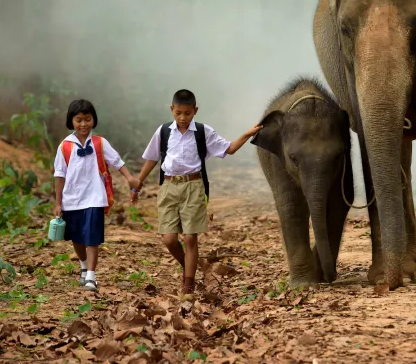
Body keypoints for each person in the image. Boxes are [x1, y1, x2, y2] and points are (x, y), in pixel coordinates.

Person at [132, 89, 262, 299]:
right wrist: (137, 183)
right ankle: (190, 265)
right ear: (172, 110)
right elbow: (152, 158)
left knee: (191, 237)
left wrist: (248, 134)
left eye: (187, 113)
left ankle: (188, 285)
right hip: (168, 186)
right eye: (178, 113)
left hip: (194, 186)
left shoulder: (203, 132)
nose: (183, 118)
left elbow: (229, 149)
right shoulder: (164, 131)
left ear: (195, 111)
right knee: (168, 239)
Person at [54, 99, 139, 292]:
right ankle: (83, 265)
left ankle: (91, 276)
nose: (83, 124)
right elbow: (59, 175)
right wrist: (58, 202)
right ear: (71, 121)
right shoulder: (65, 146)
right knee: (76, 238)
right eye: (78, 120)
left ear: (93, 120)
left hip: (95, 197)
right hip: (72, 199)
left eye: (87, 119)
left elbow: (117, 161)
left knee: (92, 237)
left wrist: (130, 178)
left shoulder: (100, 143)